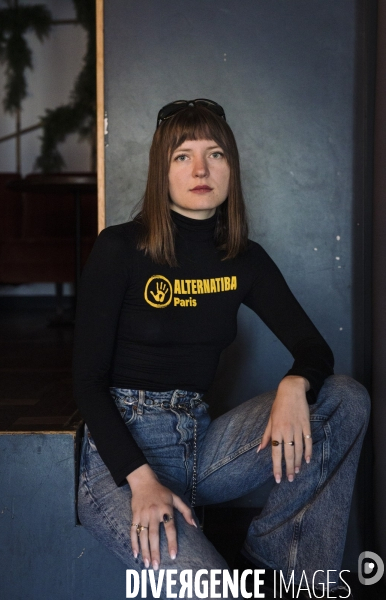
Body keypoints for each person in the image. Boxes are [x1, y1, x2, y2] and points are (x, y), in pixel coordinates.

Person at [73, 99, 370, 599]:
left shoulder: (243, 259)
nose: (201, 169)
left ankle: (283, 573)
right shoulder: (120, 248)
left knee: (344, 400)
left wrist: (295, 383)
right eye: (182, 156)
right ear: (160, 171)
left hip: (200, 446)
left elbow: (313, 348)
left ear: (231, 167)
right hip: (119, 463)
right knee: (218, 592)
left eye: (215, 155)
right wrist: (140, 482)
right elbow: (85, 380)